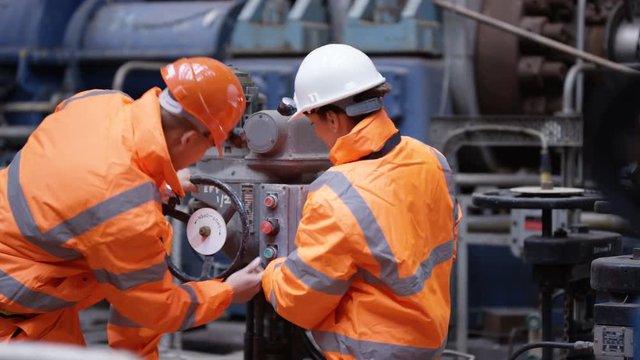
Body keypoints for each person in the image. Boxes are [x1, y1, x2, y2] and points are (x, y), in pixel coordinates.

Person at [0, 57, 264, 359]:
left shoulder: (100, 101)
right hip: (13, 312)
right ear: (189, 138)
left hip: (40, 296)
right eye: (208, 146)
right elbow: (157, 309)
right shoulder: (123, 209)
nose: (202, 155)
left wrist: (154, 183)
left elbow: (83, 171)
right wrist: (229, 291)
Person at [262, 44, 462, 359]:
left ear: (332, 119)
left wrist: (271, 270)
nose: (316, 134)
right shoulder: (432, 161)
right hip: (426, 345)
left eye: (312, 124)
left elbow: (299, 300)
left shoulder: (335, 195)